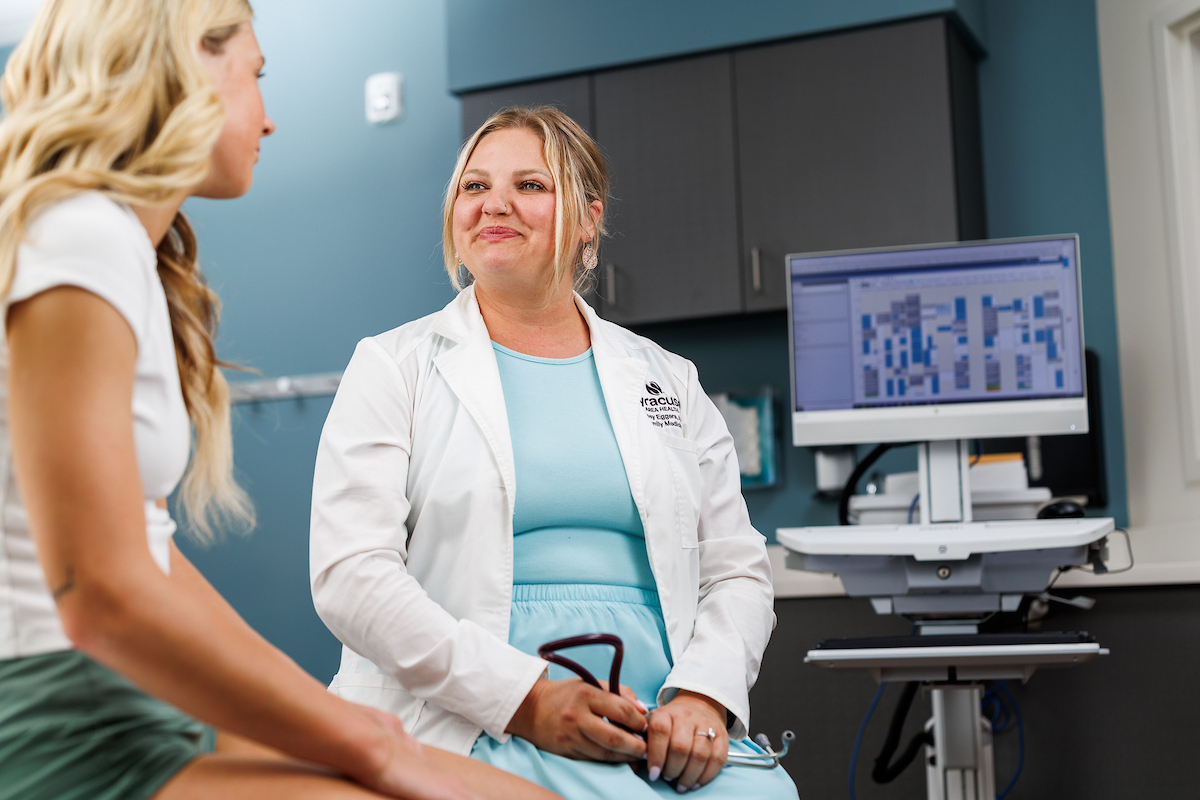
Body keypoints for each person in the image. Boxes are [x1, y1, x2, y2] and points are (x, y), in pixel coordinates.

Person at [0, 3, 562, 800]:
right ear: (189, 62)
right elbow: (103, 596)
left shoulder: (122, 248)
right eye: (256, 76)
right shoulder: (77, 237)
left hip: (126, 701)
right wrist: (374, 751)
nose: (268, 119)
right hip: (63, 721)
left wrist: (356, 731)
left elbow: (149, 556)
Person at [310, 106, 799, 799]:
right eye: (473, 187)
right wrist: (526, 699)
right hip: (475, 713)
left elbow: (736, 569)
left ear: (589, 218)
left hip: (654, 717)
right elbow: (352, 576)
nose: (494, 204)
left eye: (530, 186)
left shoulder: (666, 378)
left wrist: (702, 696)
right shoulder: (394, 366)